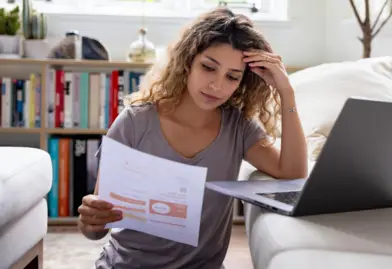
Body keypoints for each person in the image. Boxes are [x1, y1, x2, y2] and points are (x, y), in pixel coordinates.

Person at [77, 7, 307, 269]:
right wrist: (90, 221)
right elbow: (95, 230)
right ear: (188, 62)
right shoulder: (134, 123)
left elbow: (294, 172)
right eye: (209, 67)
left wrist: (286, 92)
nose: (216, 86)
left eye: (232, 77)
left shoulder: (238, 128)